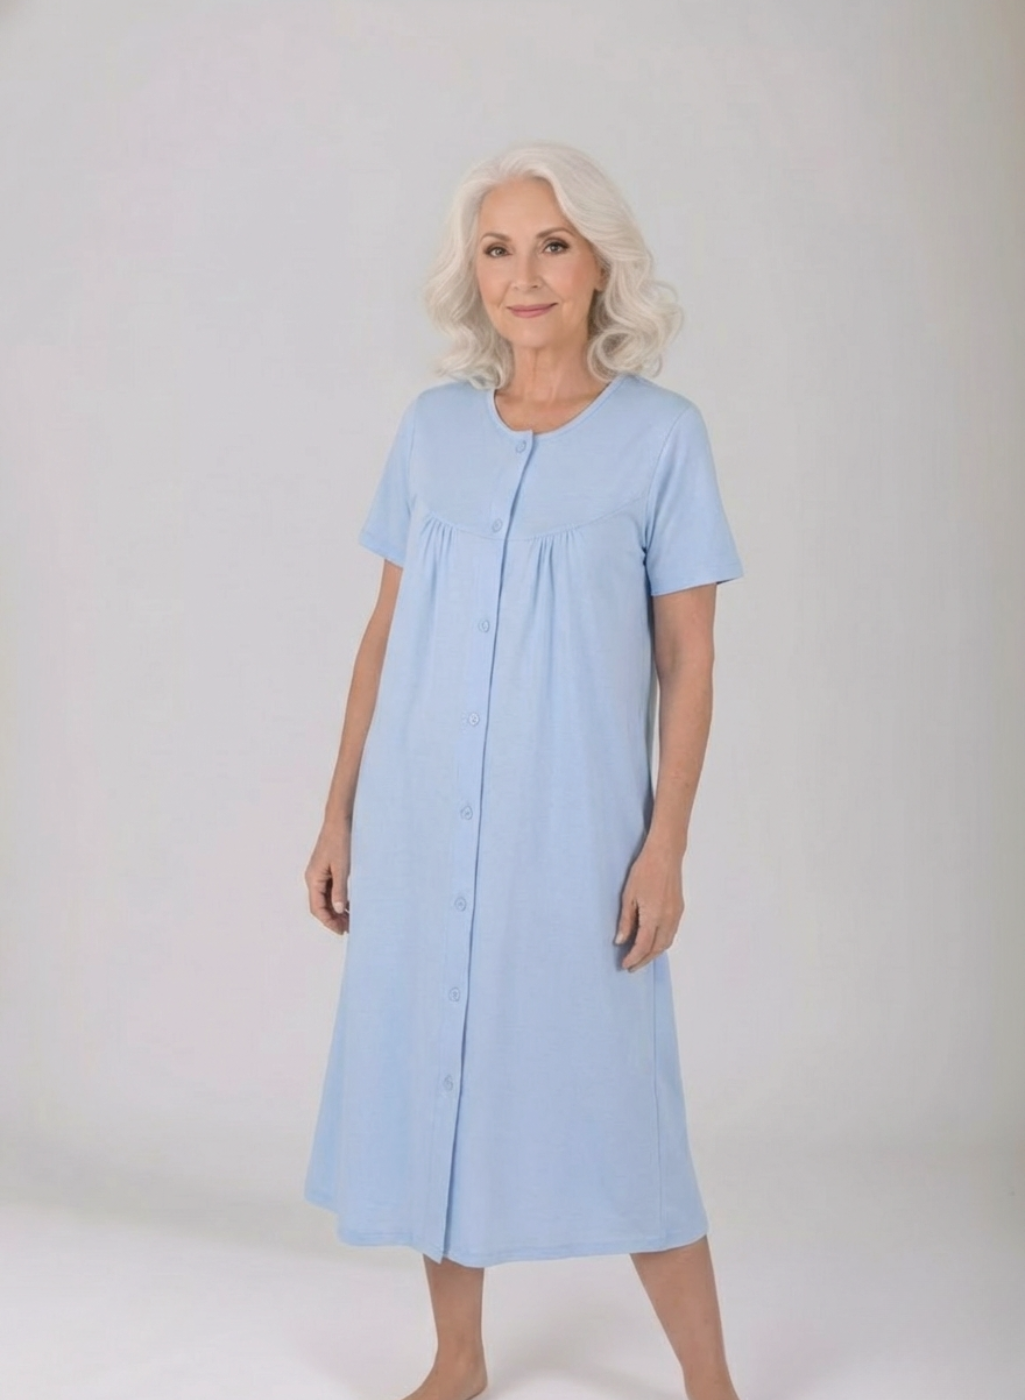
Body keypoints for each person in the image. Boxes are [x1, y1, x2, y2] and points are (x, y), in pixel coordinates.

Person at [303, 141, 745, 1400]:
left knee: (624, 1101)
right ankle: (457, 1357)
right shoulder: (431, 429)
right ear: (473, 273)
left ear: (598, 262)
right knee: (437, 1071)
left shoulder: (661, 438)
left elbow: (688, 658)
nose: (524, 274)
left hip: (573, 832)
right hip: (418, 819)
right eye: (497, 249)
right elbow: (383, 630)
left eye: (551, 245)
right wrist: (337, 812)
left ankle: (709, 1381)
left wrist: (664, 844)